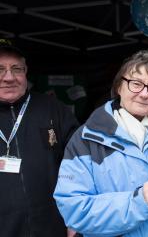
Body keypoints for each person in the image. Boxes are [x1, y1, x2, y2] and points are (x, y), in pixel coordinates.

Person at [53, 50, 148, 237]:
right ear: (119, 87)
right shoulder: (86, 139)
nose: (144, 94)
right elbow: (75, 210)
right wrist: (139, 201)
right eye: (136, 84)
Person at [0, 38, 79, 237]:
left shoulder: (53, 108)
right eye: (0, 69)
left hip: (52, 228)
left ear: (26, 72)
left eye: (16, 69)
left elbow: (81, 164)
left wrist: (76, 219)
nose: (9, 77)